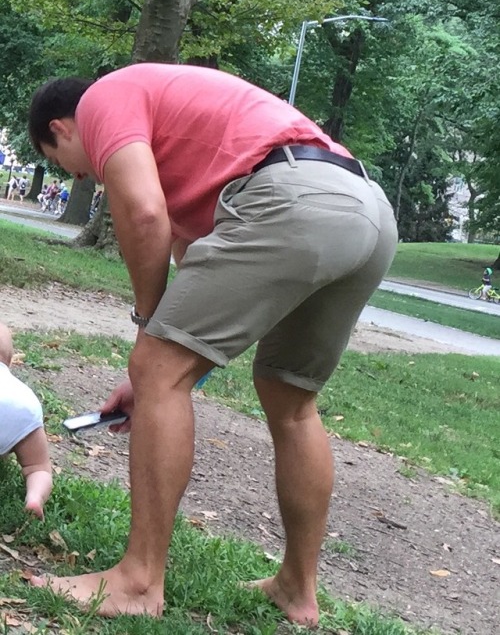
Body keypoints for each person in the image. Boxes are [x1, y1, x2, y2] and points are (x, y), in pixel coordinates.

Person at [28, 63, 398, 625]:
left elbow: (144, 214)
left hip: (291, 198)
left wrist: (150, 346)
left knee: (158, 364)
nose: (81, 178)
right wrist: (164, 373)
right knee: (290, 397)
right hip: (365, 210)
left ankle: (138, 581)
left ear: (62, 128)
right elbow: (198, 287)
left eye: (62, 164)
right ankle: (298, 589)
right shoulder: (181, 138)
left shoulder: (105, 100)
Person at [0, 322, 52, 520]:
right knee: (38, 467)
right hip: (19, 408)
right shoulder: (19, 392)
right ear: (11, 362)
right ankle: (35, 497)